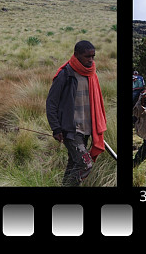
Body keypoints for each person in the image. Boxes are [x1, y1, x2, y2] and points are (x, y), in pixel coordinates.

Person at [47, 41, 109, 186]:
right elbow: (51, 103)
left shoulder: (91, 73)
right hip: (71, 130)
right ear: (76, 55)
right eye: (87, 56)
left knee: (73, 164)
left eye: (93, 56)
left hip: (88, 128)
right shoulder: (65, 74)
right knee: (85, 164)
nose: (91, 60)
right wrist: (56, 128)